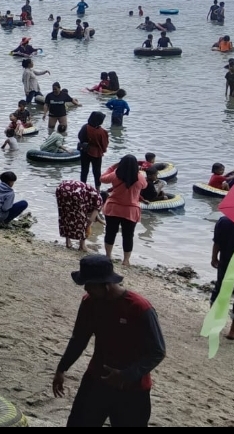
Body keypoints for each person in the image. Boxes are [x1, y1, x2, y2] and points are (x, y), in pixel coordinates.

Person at [53, 255, 165, 427]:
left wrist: (125, 375)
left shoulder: (140, 308)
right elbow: (79, 339)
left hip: (132, 389)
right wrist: (62, 368)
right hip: (96, 380)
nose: (86, 289)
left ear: (106, 284)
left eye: (89, 285)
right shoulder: (89, 303)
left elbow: (158, 351)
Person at [100, 154, 146, 266]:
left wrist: (112, 167)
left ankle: (108, 256)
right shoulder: (140, 177)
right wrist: (139, 172)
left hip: (113, 208)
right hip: (130, 210)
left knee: (110, 232)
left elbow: (102, 179)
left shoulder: (116, 174)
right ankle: (126, 261)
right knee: (128, 235)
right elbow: (144, 186)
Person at [211, 216, 234, 340]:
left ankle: (213, 323)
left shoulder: (224, 221)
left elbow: (217, 242)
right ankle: (233, 331)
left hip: (225, 264)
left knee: (220, 291)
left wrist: (214, 258)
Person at [56, 180, 103, 252]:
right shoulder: (100, 200)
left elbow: (92, 211)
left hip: (61, 188)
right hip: (76, 193)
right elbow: (90, 220)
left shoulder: (93, 194)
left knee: (65, 214)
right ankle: (82, 246)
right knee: (81, 219)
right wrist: (87, 227)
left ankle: (68, 242)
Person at [78, 112, 108, 189]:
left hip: (84, 151)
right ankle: (97, 189)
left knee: (84, 170)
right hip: (97, 153)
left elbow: (80, 137)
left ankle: (82, 187)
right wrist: (103, 150)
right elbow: (104, 144)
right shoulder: (102, 131)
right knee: (97, 172)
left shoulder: (85, 127)